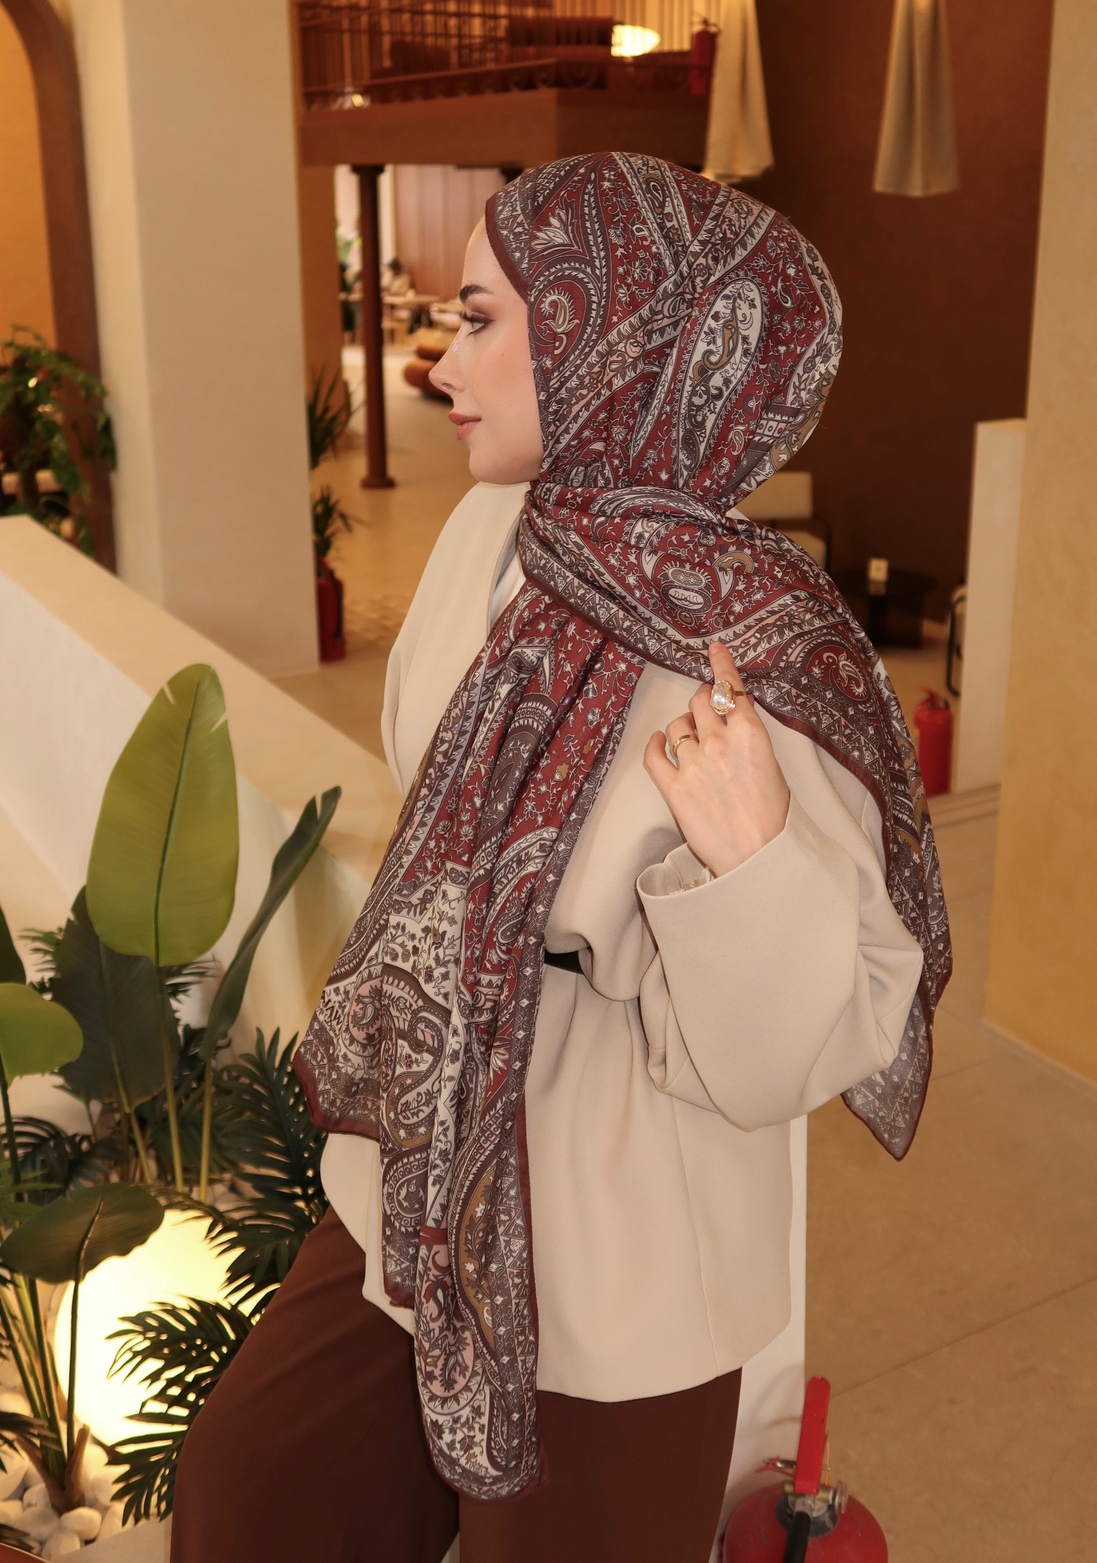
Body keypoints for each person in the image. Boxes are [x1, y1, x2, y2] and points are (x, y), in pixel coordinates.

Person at [172, 153, 951, 1563]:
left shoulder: (765, 650)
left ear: (619, 340)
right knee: (255, 1487)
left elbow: (795, 1055)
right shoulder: (496, 531)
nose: (440, 361)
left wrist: (751, 868)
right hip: (423, 1160)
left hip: (620, 1229)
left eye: (480, 320)